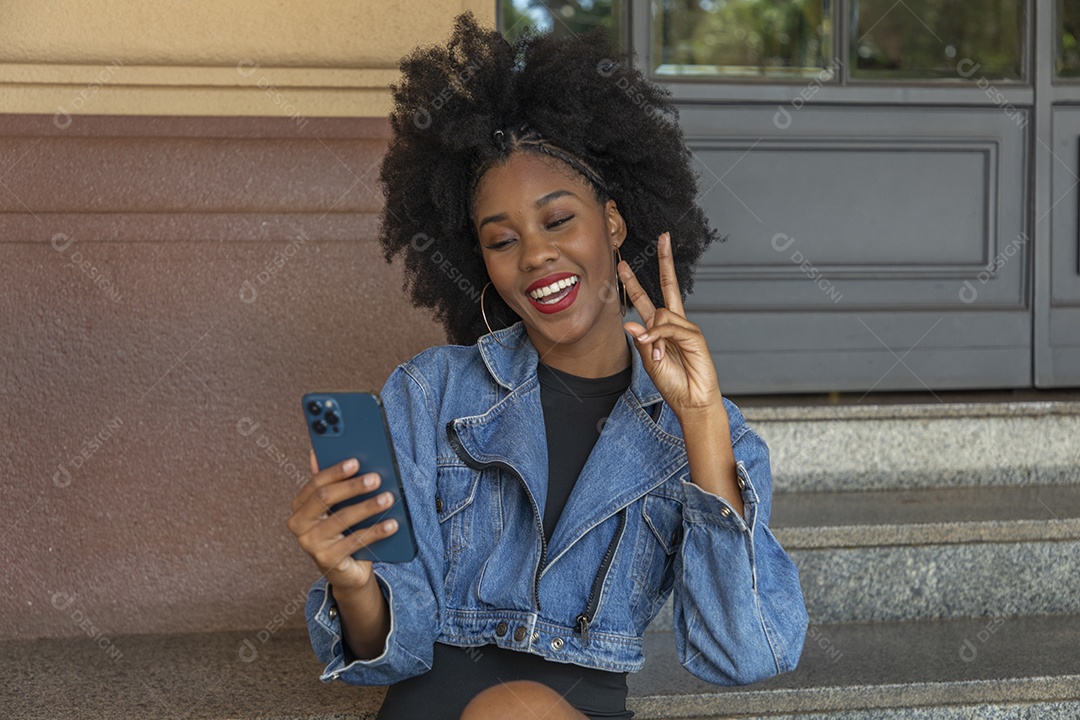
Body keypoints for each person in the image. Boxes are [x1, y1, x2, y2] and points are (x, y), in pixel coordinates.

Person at [288, 13, 808, 720]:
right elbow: (396, 648)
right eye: (502, 240)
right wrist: (349, 581)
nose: (534, 255)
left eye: (558, 220)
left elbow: (744, 653)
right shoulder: (431, 393)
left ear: (614, 223)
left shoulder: (705, 434)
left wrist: (700, 425)